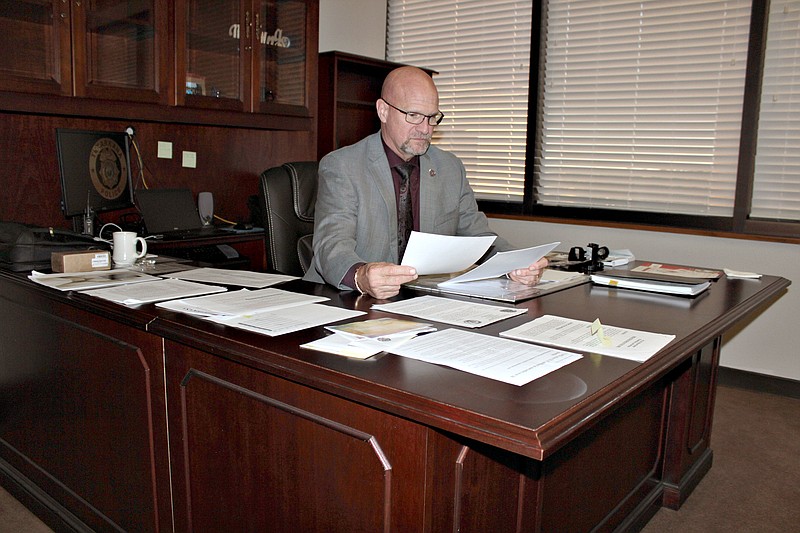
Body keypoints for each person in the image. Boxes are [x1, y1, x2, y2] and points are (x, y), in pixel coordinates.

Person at [303, 66, 548, 299]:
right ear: (383, 111)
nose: (425, 128)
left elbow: (478, 236)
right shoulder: (343, 165)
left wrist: (516, 264)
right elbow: (331, 245)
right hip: (346, 299)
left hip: (422, 298)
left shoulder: (449, 168)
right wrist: (361, 275)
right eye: (413, 116)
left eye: (432, 117)